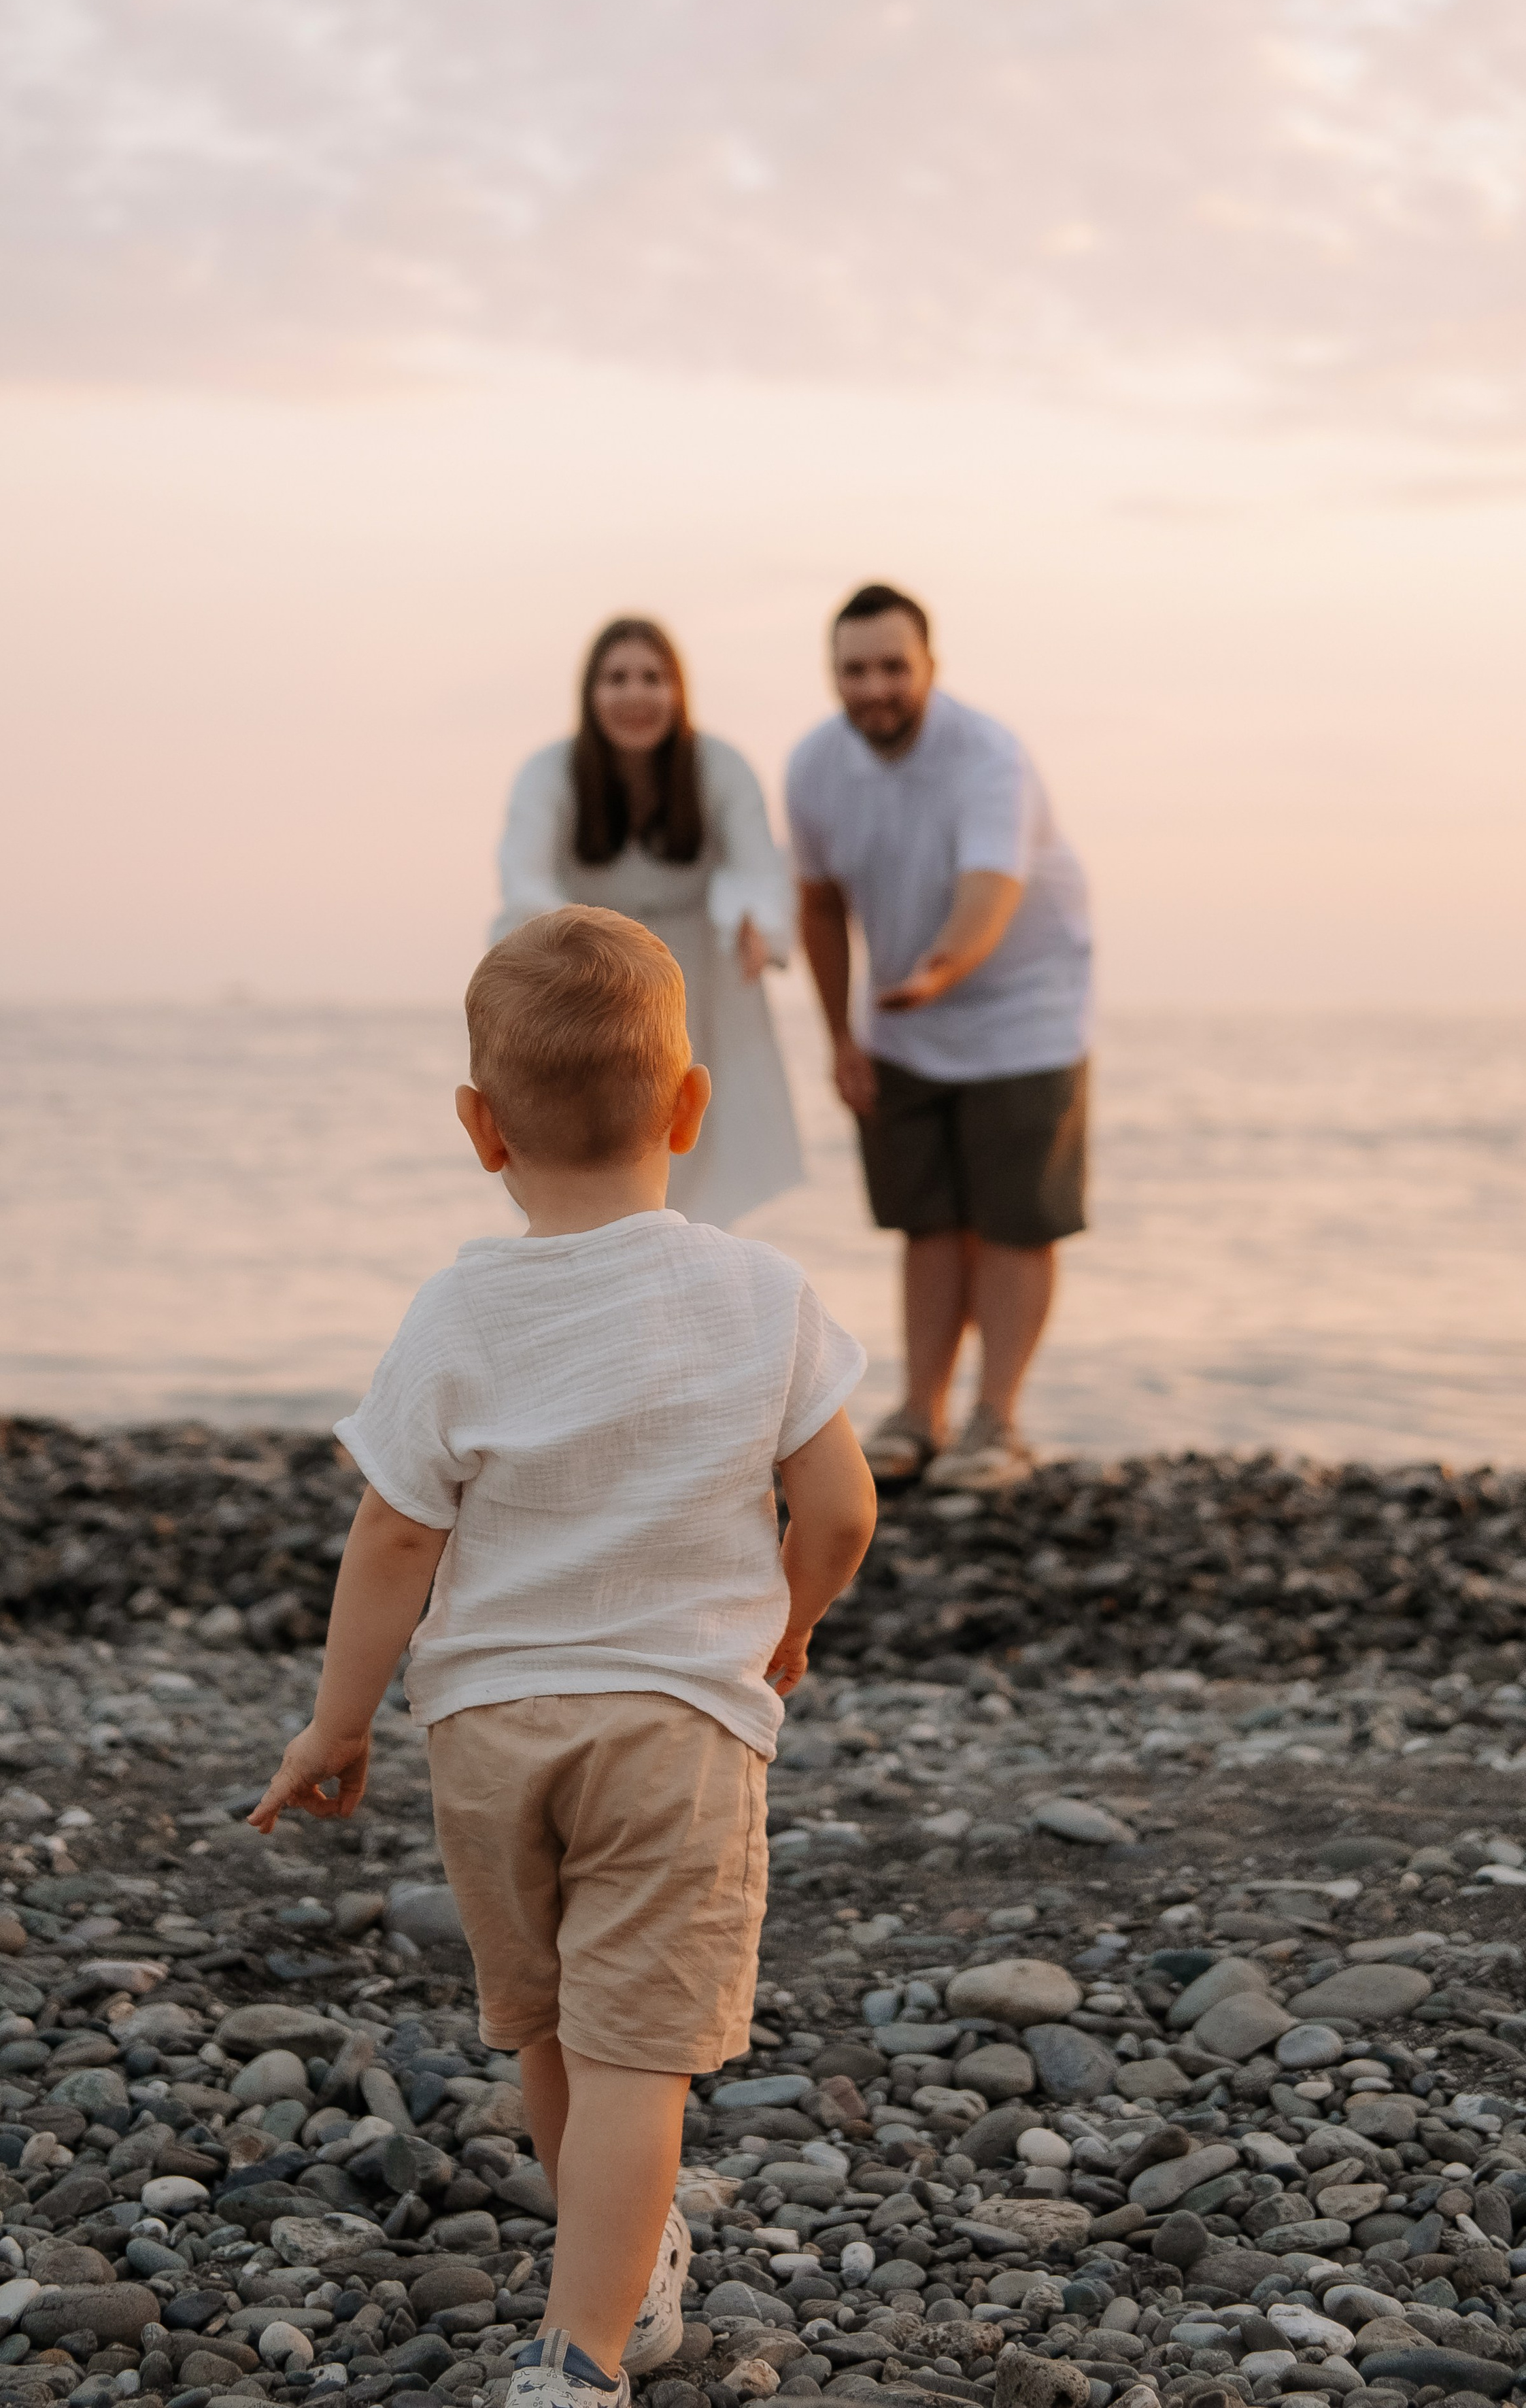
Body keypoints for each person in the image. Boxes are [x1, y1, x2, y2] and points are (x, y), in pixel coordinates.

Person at [250, 908, 875, 2408]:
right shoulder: (757, 1294)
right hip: (674, 1728)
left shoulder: (459, 1309)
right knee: (636, 2055)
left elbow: (392, 1539)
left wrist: (337, 1723)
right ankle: (582, 2353)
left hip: (487, 1730)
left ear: (480, 1128)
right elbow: (841, 1506)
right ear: (690, 1105)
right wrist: (787, 1623)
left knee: (544, 2027)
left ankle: (620, 2277)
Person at [786, 582, 1092, 1491]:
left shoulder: (988, 756)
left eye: (892, 667)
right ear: (832, 675)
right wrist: (843, 1036)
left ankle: (997, 1419)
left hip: (1022, 1012)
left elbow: (990, 891)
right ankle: (922, 1411)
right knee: (926, 1219)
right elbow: (820, 903)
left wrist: (938, 973)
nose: (874, 687)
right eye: (855, 670)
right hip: (901, 1020)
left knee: (1011, 1220)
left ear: (930, 669)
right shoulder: (813, 767)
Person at [494, 616, 802, 1228]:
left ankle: (685, 1271)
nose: (636, 695)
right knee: (588, 1141)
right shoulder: (549, 772)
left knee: (689, 1135)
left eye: (653, 678)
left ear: (679, 690)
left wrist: (757, 924)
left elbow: (758, 868)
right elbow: (523, 878)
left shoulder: (719, 766)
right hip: (588, 976)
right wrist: (567, 949)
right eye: (617, 679)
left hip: (694, 975)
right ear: (590, 693)